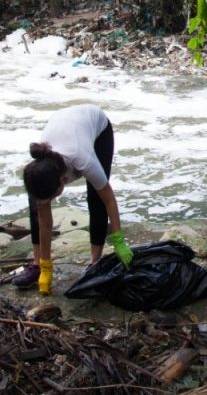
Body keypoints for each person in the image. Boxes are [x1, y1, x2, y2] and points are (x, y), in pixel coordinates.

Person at [14, 105, 133, 295]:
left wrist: (119, 240)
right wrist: (46, 266)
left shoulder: (83, 160)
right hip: (64, 123)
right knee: (35, 205)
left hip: (97, 127)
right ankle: (37, 266)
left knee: (96, 197)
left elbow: (109, 199)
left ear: (63, 181)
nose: (47, 202)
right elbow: (44, 222)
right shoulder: (39, 169)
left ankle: (94, 263)